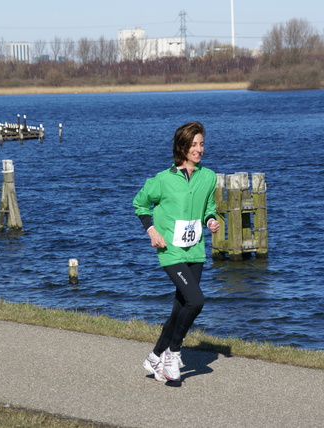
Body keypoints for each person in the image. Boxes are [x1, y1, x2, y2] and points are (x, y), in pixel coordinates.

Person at [133, 121, 220, 382]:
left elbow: (208, 207)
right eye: (194, 144)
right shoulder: (163, 180)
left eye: (202, 143)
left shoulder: (208, 176)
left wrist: (211, 220)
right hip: (170, 250)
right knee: (196, 301)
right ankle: (173, 352)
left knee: (179, 308)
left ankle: (155, 357)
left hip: (196, 251)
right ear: (182, 147)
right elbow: (140, 205)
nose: (199, 149)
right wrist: (152, 232)